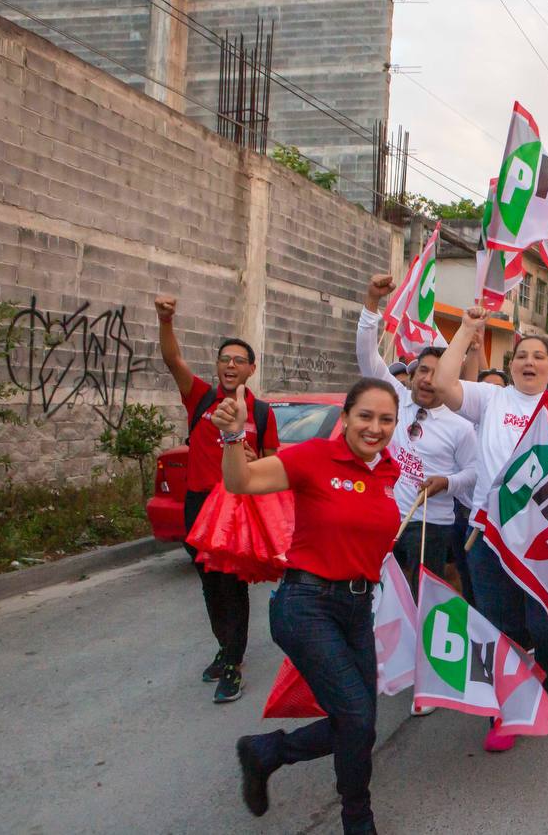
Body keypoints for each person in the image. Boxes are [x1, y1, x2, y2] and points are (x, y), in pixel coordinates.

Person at [226, 378, 402, 835]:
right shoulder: (311, 458)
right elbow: (240, 481)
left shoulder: (388, 473)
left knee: (360, 726)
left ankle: (266, 753)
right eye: (365, 416)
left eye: (386, 419)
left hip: (357, 610)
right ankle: (358, 821)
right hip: (306, 605)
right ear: (345, 418)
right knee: (357, 717)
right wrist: (232, 437)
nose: (375, 427)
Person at [433, 307, 548, 753]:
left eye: (539, 356)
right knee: (499, 627)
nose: (529, 362)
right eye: (521, 355)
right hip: (489, 538)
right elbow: (444, 384)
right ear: (510, 364)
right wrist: (467, 330)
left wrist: (519, 496)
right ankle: (504, 707)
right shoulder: (491, 399)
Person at [154, 295, 279, 704]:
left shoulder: (261, 413)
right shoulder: (201, 398)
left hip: (235, 512)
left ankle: (233, 665)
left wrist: (255, 458)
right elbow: (173, 361)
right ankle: (225, 649)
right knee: (209, 585)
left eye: (239, 360)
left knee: (232, 587)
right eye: (225, 358)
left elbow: (273, 464)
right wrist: (166, 320)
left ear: (251, 368)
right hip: (197, 506)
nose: (230, 365)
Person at [357, 275, 478, 599]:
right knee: (378, 597)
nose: (426, 379)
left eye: (436, 373)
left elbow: (473, 474)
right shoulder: (393, 400)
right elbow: (368, 355)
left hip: (430, 527)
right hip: (380, 518)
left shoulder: (460, 426)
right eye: (422, 370)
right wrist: (371, 303)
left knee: (420, 599)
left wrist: (446, 483)